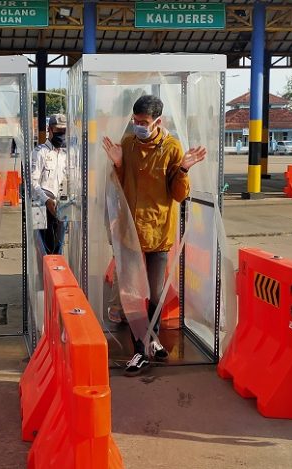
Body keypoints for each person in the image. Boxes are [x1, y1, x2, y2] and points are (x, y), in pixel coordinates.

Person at [102, 95, 206, 377]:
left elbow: (179, 194)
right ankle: (140, 350)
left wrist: (183, 168)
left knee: (156, 294)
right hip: (131, 234)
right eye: (135, 122)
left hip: (159, 232)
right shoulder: (128, 145)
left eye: (143, 122)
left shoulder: (172, 148)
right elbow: (120, 189)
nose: (138, 127)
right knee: (135, 295)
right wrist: (119, 165)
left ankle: (152, 338)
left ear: (158, 121)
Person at [31, 114, 68, 254]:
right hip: (40, 207)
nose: (61, 135)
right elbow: (32, 183)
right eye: (58, 131)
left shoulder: (65, 155)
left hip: (59, 207)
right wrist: (46, 201)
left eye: (64, 131)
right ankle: (43, 276)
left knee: (57, 249)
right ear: (50, 130)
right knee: (43, 250)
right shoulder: (39, 152)